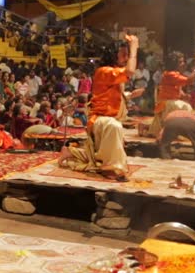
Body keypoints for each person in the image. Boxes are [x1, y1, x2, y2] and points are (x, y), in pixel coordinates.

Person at [58, 35, 140, 181]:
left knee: (103, 150)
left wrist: (129, 96)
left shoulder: (112, 72)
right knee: (113, 126)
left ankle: (72, 153)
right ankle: (111, 168)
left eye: (127, 54)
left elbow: (112, 96)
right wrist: (134, 48)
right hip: (101, 120)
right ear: (113, 55)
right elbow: (130, 72)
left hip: (108, 118)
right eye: (123, 53)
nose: (126, 57)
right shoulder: (103, 71)